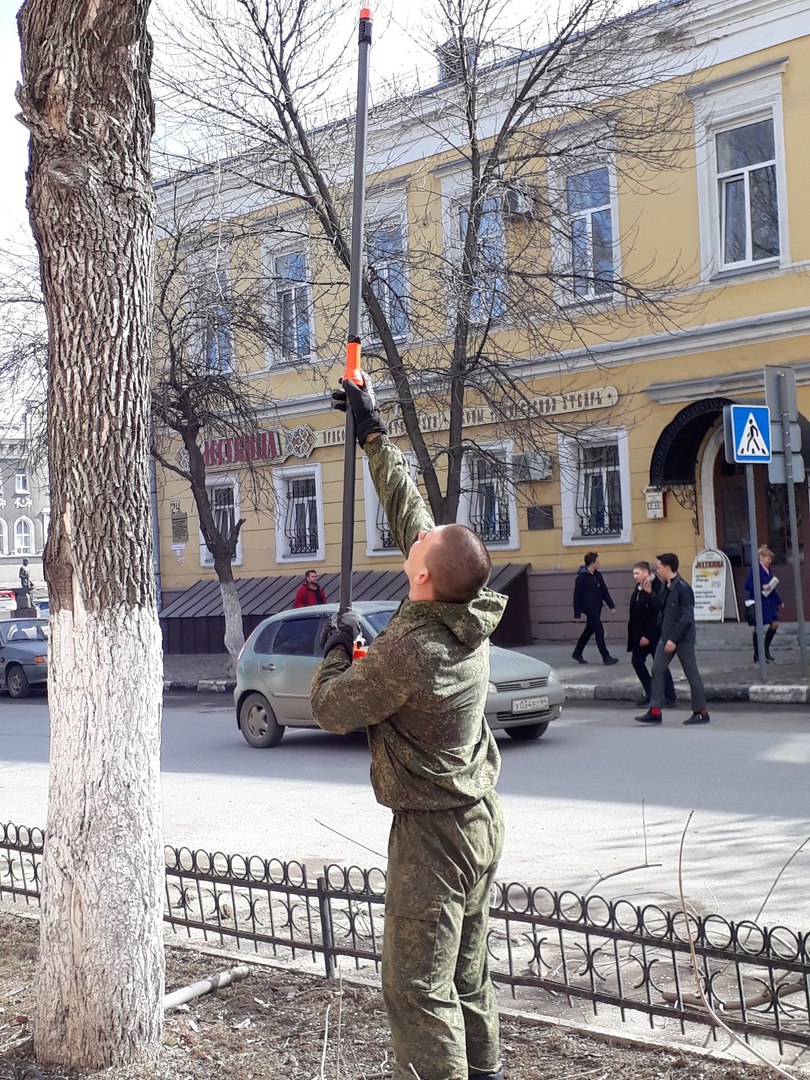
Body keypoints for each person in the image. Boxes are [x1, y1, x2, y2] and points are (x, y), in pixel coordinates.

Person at [311, 376, 507, 1080]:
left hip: (433, 836)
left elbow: (335, 709)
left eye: (419, 553)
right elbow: (416, 519)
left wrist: (335, 653)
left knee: (417, 990)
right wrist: (372, 433)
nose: (412, 545)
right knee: (466, 976)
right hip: (476, 817)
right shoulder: (465, 608)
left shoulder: (412, 649)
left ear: (423, 579)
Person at [636, 552, 710, 726]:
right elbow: (661, 607)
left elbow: (687, 618)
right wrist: (649, 593)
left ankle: (701, 711)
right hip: (666, 636)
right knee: (657, 669)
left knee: (692, 674)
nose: (657, 570)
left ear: (668, 568)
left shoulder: (683, 588)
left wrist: (674, 640)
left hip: (682, 639)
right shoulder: (666, 586)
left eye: (659, 567)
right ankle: (655, 711)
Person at [627, 561, 676, 707]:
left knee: (660, 665)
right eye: (634, 573)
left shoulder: (657, 586)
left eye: (637, 573)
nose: (634, 576)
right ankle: (651, 692)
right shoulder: (639, 587)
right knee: (637, 662)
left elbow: (658, 612)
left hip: (653, 635)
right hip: (638, 635)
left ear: (646, 573)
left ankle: (670, 695)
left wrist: (648, 635)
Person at [572, 551, 619, 665]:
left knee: (589, 631)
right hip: (589, 608)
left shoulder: (598, 575)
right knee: (599, 631)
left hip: (597, 607)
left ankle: (577, 653)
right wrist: (577, 614)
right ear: (592, 563)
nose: (599, 563)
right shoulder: (581, 578)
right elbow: (577, 596)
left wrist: (611, 605)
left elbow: (604, 591)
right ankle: (606, 657)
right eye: (597, 561)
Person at [744, 545, 783, 663]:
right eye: (768, 558)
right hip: (758, 602)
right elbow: (747, 585)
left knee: (775, 624)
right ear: (761, 557)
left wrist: (779, 601)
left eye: (770, 559)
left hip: (768, 602)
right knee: (758, 628)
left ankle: (765, 650)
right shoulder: (755, 570)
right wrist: (761, 586)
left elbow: (771, 588)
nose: (770, 561)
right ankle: (758, 655)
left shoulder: (768, 570)